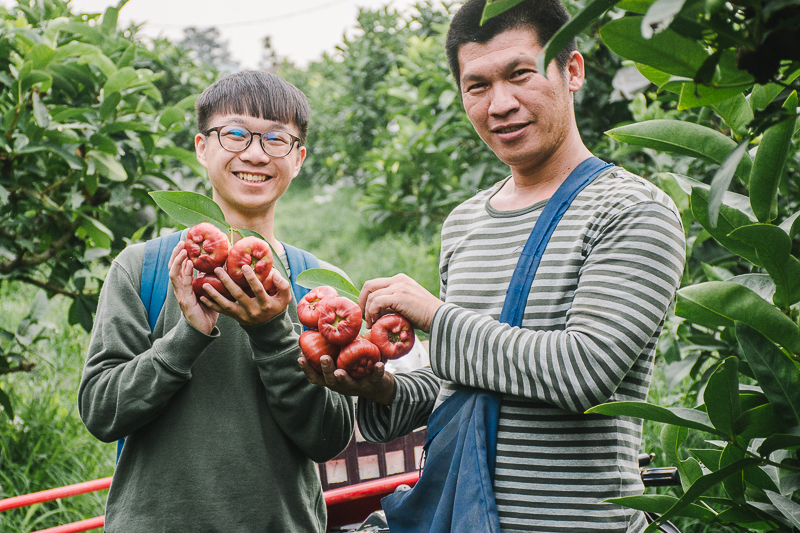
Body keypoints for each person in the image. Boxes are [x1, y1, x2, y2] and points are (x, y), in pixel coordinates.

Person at [299, 0, 686, 531]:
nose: (500, 103)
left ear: (571, 70)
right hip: (465, 517)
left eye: (520, 74)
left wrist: (436, 316)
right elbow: (459, 379)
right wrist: (379, 389)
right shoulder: (464, 224)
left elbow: (584, 373)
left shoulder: (629, 209)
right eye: (477, 85)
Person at [78, 70, 355, 532]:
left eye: (276, 139)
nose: (255, 153)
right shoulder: (143, 268)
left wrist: (271, 331)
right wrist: (187, 335)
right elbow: (102, 412)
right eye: (236, 134)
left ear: (299, 158)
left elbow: (327, 437)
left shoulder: (316, 289)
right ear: (202, 147)